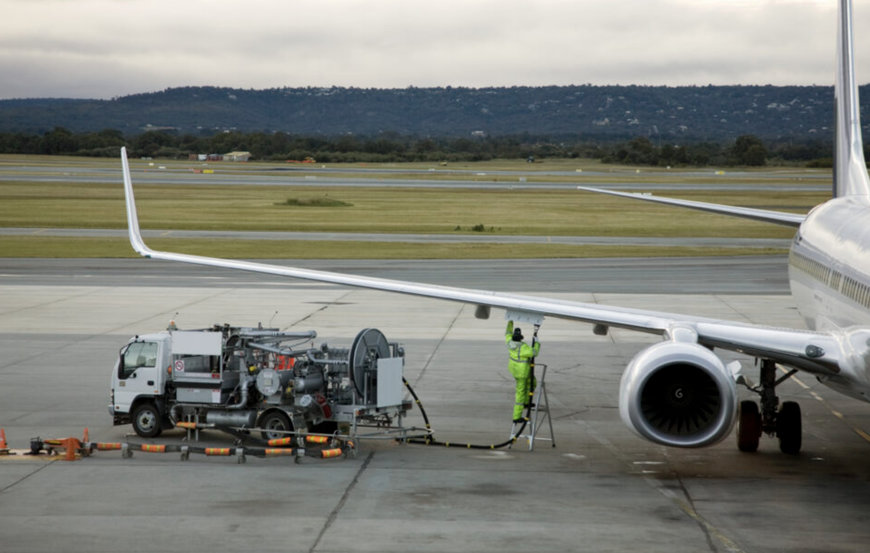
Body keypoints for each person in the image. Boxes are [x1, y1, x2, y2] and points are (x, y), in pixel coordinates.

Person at [505, 320, 540, 423]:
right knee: (520, 392)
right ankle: (516, 416)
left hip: (515, 370)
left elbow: (507, 333)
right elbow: (534, 352)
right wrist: (537, 342)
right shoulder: (523, 348)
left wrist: (510, 321)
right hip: (522, 373)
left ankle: (526, 402)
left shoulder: (509, 343)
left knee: (532, 382)